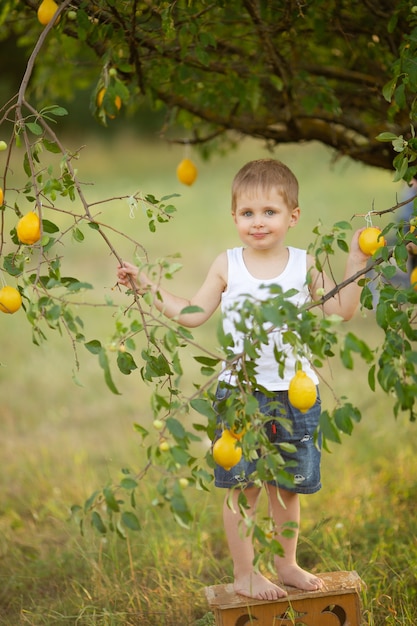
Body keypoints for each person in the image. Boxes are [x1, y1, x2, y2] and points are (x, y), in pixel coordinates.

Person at [116, 159, 369, 601]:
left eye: (269, 212)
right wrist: (147, 287)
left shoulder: (304, 264)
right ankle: (245, 573)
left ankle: (286, 564)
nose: (257, 222)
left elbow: (342, 310)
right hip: (240, 395)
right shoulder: (228, 264)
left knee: (288, 488)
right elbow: (193, 315)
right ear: (234, 216)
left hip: (297, 394)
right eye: (247, 213)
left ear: (293, 216)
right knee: (243, 488)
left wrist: (356, 261)